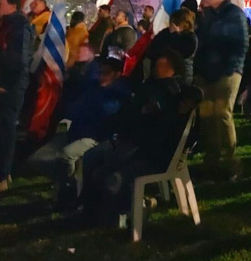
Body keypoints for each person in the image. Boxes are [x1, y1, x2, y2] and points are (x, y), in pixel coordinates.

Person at [81, 50, 199, 224]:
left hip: (145, 148)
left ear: (174, 69)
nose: (158, 69)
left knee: (108, 173)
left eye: (163, 66)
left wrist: (147, 113)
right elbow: (129, 114)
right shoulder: (149, 87)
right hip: (128, 140)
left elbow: (168, 124)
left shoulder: (175, 92)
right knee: (93, 160)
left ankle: (125, 210)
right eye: (157, 65)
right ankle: (95, 210)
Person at [25, 57, 130, 210]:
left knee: (66, 156)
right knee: (37, 159)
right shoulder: (92, 87)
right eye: (100, 72)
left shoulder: (118, 94)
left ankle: (68, 191)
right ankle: (70, 183)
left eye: (106, 73)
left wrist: (85, 106)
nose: (101, 76)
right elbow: (73, 108)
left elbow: (103, 114)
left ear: (117, 74)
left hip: (96, 137)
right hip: (75, 131)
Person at [193, 0, 248, 180]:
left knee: (223, 113)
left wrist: (231, 68)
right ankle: (212, 160)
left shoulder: (234, 14)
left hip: (227, 71)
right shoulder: (208, 15)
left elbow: (240, 44)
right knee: (207, 114)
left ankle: (230, 161)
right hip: (207, 71)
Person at [0, 0, 35, 193]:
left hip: (11, 86)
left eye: (0, 3)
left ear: (12, 5)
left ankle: (2, 176)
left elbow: (17, 59)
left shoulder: (19, 26)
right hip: (6, 82)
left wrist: (5, 83)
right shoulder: (7, 24)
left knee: (5, 130)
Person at [145, 9, 198, 85]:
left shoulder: (190, 38)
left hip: (179, 77)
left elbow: (181, 54)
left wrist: (175, 35)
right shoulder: (165, 32)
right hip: (159, 73)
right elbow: (154, 47)